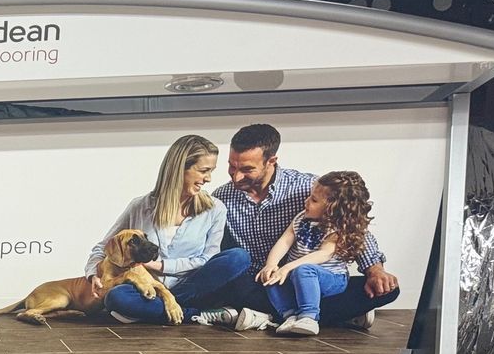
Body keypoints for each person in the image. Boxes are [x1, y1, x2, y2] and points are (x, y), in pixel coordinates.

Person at [190, 123, 400, 331]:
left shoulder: (310, 189)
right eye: (232, 167)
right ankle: (330, 315)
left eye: (247, 169)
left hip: (309, 279)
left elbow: (353, 227)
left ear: (271, 161)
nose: (236, 176)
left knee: (386, 289)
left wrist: (375, 270)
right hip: (263, 282)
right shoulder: (222, 198)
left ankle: (274, 317)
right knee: (234, 286)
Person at [82, 135, 251, 324]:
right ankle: (197, 315)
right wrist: (92, 275)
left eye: (211, 171)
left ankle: (148, 311)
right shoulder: (140, 206)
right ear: (180, 169)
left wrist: (159, 266)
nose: (209, 179)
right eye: (204, 170)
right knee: (116, 297)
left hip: (194, 286)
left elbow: (208, 259)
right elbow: (102, 248)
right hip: (148, 289)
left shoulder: (215, 208)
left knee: (238, 257)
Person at [255, 171, 372, 337]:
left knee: (304, 270)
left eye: (314, 200)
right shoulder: (302, 218)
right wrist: (272, 264)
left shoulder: (337, 229)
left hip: (331, 279)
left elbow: (323, 254)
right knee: (270, 277)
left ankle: (309, 317)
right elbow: (284, 241)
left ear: (333, 207)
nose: (306, 201)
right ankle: (290, 316)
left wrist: (288, 267)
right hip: (295, 275)